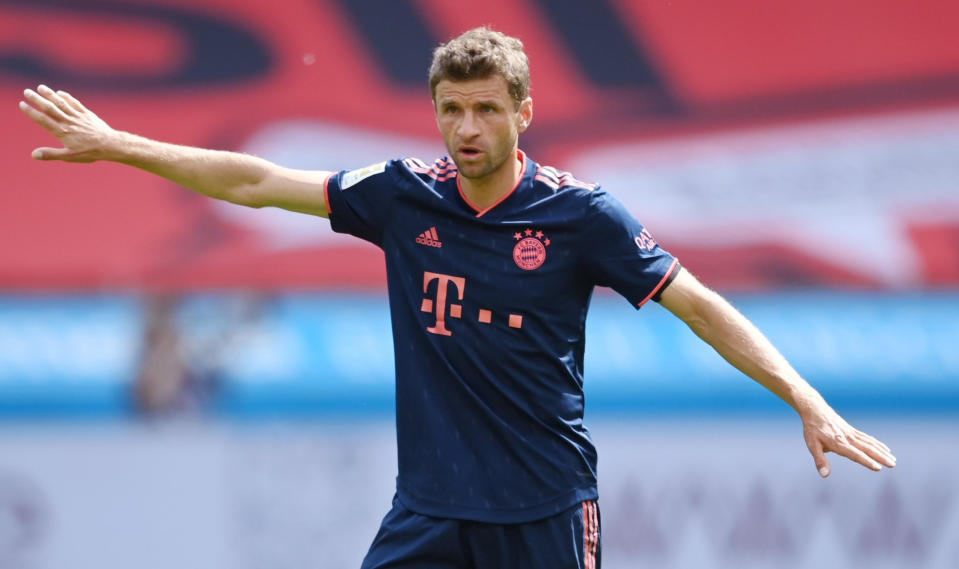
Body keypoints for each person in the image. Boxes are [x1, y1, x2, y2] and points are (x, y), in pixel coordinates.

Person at [20, 26, 895, 569]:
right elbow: (254, 181)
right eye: (450, 109)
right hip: (431, 508)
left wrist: (802, 396)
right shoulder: (403, 194)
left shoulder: (579, 215)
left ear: (522, 110)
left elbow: (698, 302)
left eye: (482, 109)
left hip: (545, 506)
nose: (465, 129)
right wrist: (118, 144)